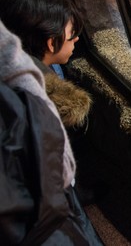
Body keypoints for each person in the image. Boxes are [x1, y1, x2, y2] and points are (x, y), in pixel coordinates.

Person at [0, 19, 103, 244]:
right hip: (43, 205)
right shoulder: (32, 96)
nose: (76, 40)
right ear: (50, 42)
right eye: (71, 36)